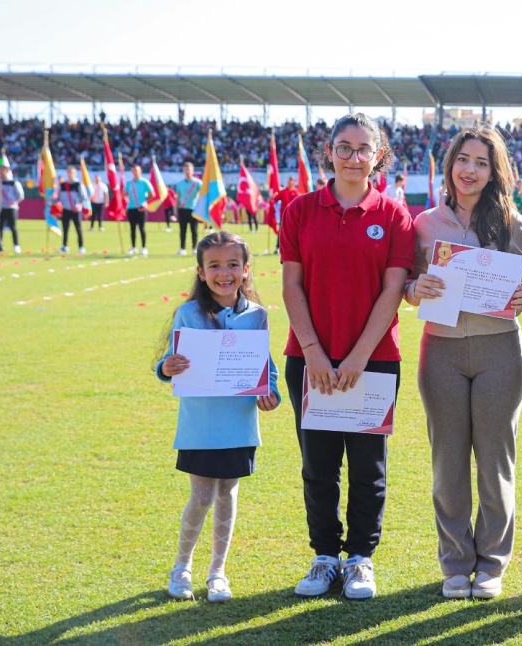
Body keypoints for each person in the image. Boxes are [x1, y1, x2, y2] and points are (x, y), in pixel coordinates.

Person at [281, 113, 415, 601]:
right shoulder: (300, 209)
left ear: (378, 155)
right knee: (318, 465)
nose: (354, 157)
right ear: (329, 151)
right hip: (309, 358)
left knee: (367, 467)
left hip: (374, 361)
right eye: (345, 147)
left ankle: (359, 558)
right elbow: (291, 286)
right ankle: (323, 557)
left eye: (364, 149)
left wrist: (358, 356)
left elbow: (392, 291)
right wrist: (315, 351)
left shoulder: (395, 215)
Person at [405, 125, 522, 600]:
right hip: (441, 353)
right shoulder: (424, 224)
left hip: (500, 351)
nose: (470, 169)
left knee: (496, 463)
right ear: (450, 163)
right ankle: (455, 562)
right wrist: (417, 290)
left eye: (481, 161)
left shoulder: (512, 222)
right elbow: (406, 285)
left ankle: (492, 564)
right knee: (448, 464)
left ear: (494, 170)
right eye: (463, 159)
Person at [155, 230, 281, 603]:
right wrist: (168, 366)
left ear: (246, 270)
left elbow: (266, 366)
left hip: (239, 423)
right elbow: (169, 362)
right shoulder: (188, 313)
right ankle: (181, 567)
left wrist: (270, 392)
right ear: (200, 271)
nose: (223, 273)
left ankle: (217, 573)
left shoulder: (257, 315)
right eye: (214, 266)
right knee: (200, 496)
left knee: (227, 493)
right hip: (201, 423)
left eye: (232, 265)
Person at [58, 166, 89, 254]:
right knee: (65, 229)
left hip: (76, 210)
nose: (70, 173)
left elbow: (84, 196)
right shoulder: (63, 185)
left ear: (75, 173)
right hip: (66, 209)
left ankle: (81, 246)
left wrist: (79, 204)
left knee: (78, 229)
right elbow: (58, 197)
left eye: (71, 172)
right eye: (68, 172)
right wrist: (50, 200)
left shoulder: (78, 184)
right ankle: (64, 246)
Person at [175, 162, 202, 255]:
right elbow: (177, 197)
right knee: (182, 230)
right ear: (183, 170)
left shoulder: (198, 183)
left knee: (194, 230)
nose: (187, 171)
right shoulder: (180, 184)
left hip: (193, 209)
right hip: (182, 209)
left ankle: (194, 248)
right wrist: (175, 209)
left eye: (189, 169)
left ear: (193, 171)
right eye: (185, 169)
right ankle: (182, 248)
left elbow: (203, 196)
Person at [127, 164, 154, 256]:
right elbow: (124, 194)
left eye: (137, 170)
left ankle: (143, 247)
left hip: (141, 208)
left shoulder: (145, 182)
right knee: (132, 228)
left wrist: (144, 201)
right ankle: (133, 247)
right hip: (131, 208)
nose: (135, 172)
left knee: (141, 228)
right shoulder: (129, 183)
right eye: (134, 170)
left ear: (140, 171)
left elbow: (152, 194)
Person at [0, 162, 24, 253]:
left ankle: (16, 245)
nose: (1, 172)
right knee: (0, 227)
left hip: (11, 208)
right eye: (0, 170)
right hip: (1, 208)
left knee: (13, 227)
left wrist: (13, 201)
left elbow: (20, 195)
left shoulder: (14, 182)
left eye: (3, 170)